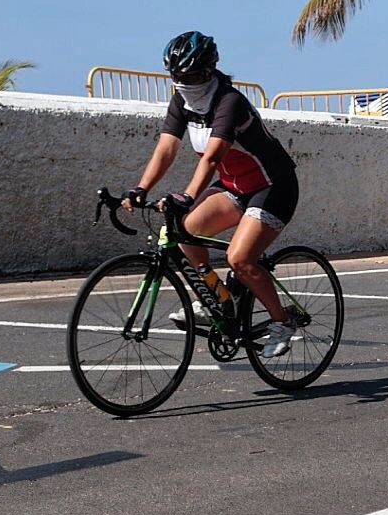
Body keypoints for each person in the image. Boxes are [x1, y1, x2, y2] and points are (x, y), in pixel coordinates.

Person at [122, 31, 301, 358]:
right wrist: (140, 188)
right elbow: (166, 148)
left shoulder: (228, 101)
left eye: (189, 75)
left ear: (207, 71)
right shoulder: (181, 99)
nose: (182, 81)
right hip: (235, 187)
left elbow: (213, 157)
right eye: (176, 75)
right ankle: (217, 297)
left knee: (240, 259)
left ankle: (282, 321)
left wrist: (189, 195)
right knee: (186, 233)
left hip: (273, 187)